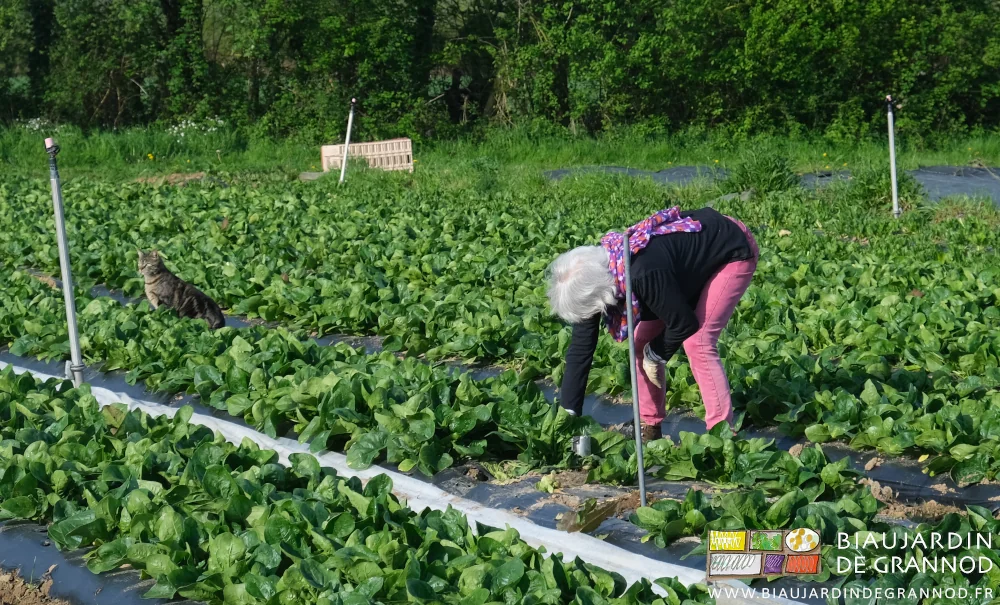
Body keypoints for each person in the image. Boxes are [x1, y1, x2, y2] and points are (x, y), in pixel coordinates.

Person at [545, 206, 759, 441]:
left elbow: (684, 323)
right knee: (640, 344)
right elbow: (581, 348)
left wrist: (656, 355)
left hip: (728, 250)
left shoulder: (642, 274)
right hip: (681, 269)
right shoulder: (596, 277)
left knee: (698, 342)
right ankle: (650, 425)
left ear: (603, 297)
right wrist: (568, 415)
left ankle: (722, 435)